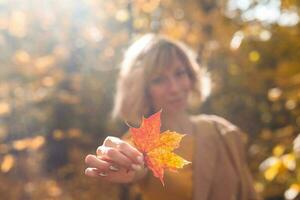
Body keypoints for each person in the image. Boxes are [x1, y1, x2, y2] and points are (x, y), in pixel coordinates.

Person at [84, 33, 259, 200]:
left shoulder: (222, 130)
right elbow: (136, 163)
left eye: (179, 73)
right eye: (159, 80)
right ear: (142, 89)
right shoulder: (138, 143)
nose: (174, 88)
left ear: (191, 76)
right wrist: (127, 164)